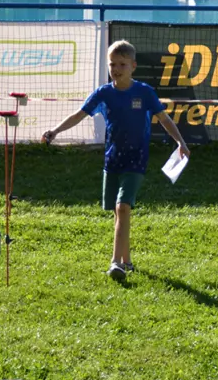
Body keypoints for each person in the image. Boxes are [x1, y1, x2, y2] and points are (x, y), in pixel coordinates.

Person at [41, 40, 189, 283]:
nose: (117, 68)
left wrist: (180, 142)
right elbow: (79, 114)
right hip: (112, 161)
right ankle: (128, 260)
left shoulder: (144, 92)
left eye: (122, 64)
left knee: (123, 207)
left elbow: (164, 118)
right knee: (118, 212)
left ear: (133, 66)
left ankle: (116, 263)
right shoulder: (104, 93)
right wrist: (55, 131)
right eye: (112, 64)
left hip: (136, 160)